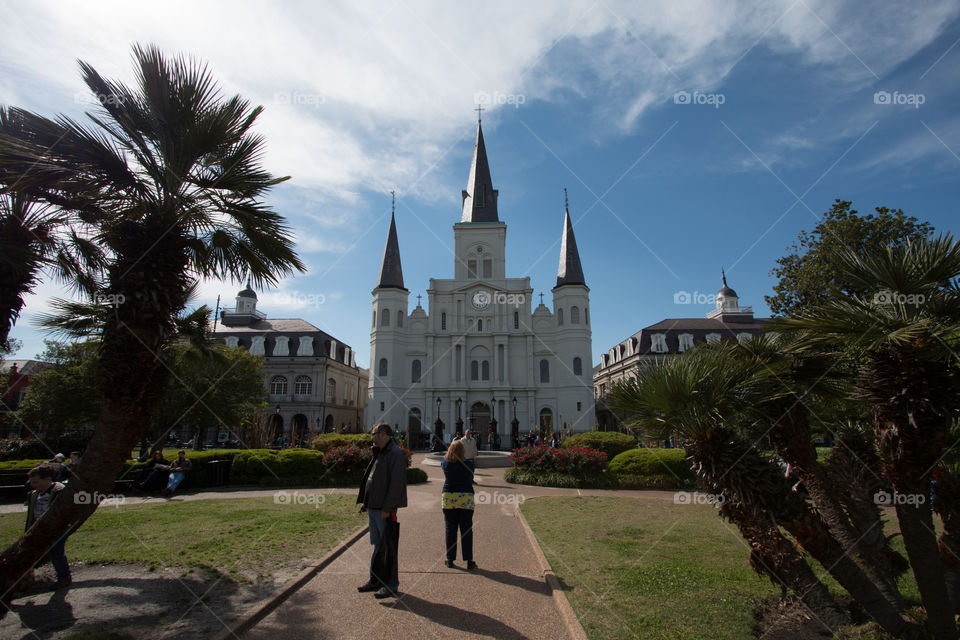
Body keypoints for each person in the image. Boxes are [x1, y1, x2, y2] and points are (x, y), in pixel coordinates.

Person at [356, 423, 408, 599]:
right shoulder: (380, 451)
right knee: (378, 547)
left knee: (388, 548)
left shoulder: (395, 454)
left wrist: (388, 508)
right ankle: (376, 580)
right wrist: (367, 502)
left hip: (384, 510)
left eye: (374, 433)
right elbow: (374, 479)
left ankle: (391, 584)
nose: (372, 436)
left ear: (384, 434)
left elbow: (396, 485)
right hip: (374, 507)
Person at [25, 463, 72, 589]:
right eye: (31, 482)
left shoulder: (58, 491)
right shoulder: (34, 494)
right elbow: (31, 514)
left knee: (56, 553)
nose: (33, 485)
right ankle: (27, 577)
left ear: (48, 479)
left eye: (36, 482)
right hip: (39, 528)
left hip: (56, 529)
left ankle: (64, 577)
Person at [441, 440, 477, 570]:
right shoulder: (470, 464)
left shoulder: (445, 463)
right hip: (465, 499)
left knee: (450, 529)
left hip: (449, 498)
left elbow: (445, 459)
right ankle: (469, 560)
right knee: (466, 529)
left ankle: (450, 559)